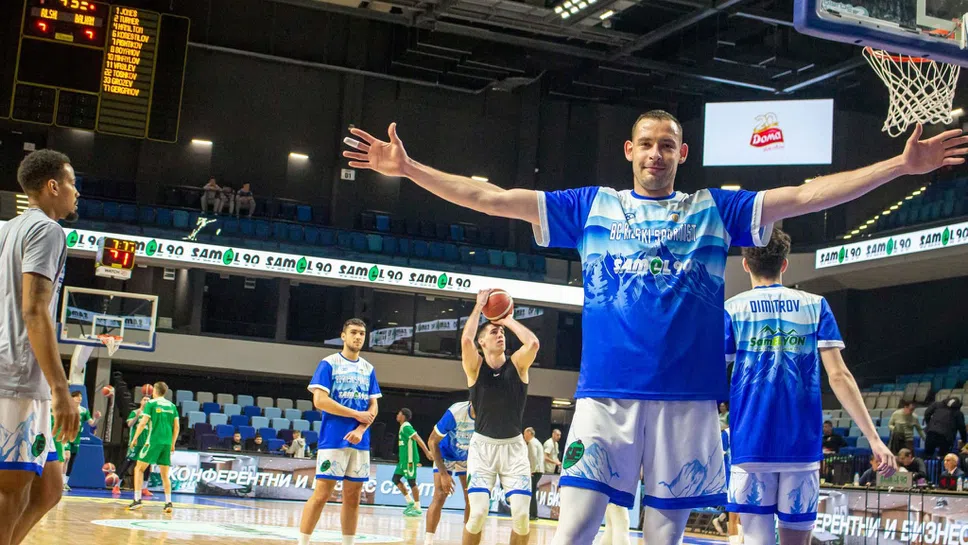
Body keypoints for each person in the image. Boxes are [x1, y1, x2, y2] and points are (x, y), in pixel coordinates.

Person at [341, 112, 966, 545]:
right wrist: (412, 170)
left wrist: (899, 166)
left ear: (681, 154)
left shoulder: (715, 210)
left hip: (686, 406)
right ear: (629, 150)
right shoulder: (591, 207)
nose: (656, 154)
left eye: (668, 145)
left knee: (662, 537)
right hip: (604, 399)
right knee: (575, 527)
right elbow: (492, 198)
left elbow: (805, 195)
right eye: (647, 144)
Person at [724, 228, 897, 545]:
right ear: (785, 264)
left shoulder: (733, 309)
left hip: (750, 446)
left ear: (745, 264)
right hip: (800, 449)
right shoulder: (815, 305)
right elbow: (839, 376)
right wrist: (875, 440)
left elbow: (709, 376)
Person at [0, 149, 80, 545]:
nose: (76, 192)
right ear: (53, 187)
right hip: (18, 376)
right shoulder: (47, 231)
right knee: (10, 492)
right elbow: (34, 309)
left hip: (20, 374)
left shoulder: (7, 228)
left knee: (49, 488)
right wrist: (61, 390)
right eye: (72, 183)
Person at [459, 289, 539, 545]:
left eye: (502, 332)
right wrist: (479, 306)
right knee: (477, 515)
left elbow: (533, 344)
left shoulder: (517, 364)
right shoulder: (475, 368)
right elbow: (466, 341)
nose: (500, 334)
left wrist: (507, 319)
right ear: (482, 342)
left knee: (522, 517)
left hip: (514, 450)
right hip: (482, 449)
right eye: (494, 332)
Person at [297, 318, 379, 545]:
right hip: (333, 439)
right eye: (353, 332)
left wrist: (361, 428)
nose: (358, 337)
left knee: (353, 497)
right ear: (343, 336)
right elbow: (320, 401)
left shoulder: (368, 368)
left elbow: (373, 406)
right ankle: (302, 542)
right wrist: (356, 414)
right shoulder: (328, 363)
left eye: (362, 333)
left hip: (360, 441)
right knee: (322, 494)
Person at [425, 400, 476, 545]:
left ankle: (467, 540)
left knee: (472, 499)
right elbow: (432, 441)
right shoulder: (455, 411)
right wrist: (443, 474)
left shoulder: (488, 415)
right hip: (445, 453)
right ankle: (428, 541)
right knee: (440, 495)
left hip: (468, 456)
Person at [126, 382, 179, 513]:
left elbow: (142, 423)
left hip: (153, 441)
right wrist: (173, 443)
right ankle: (168, 503)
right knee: (165, 474)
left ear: (155, 391)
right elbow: (177, 427)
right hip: (167, 443)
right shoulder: (172, 406)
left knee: (138, 468)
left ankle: (137, 500)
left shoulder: (151, 404)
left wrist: (135, 438)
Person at [393, 408, 432, 517]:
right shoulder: (402, 427)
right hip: (403, 460)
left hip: (409, 460)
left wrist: (427, 452)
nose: (397, 415)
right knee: (395, 479)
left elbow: (418, 438)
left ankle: (418, 507)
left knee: (411, 482)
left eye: (399, 413)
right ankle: (410, 502)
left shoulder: (406, 427)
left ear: (403, 416)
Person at [112, 396, 152, 497]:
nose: (146, 401)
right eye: (144, 400)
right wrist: (137, 416)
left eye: (148, 400)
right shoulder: (135, 412)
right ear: (141, 401)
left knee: (147, 466)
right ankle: (117, 485)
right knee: (127, 463)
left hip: (146, 443)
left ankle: (144, 488)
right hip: (135, 443)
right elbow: (129, 424)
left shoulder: (151, 414)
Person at [524, 427, 544, 520]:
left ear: (529, 433)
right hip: (538, 470)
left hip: (535, 471)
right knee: (532, 492)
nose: (524, 436)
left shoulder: (532, 443)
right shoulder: (537, 442)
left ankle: (533, 514)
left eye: (525, 433)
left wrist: (531, 470)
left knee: (531, 493)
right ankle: (533, 514)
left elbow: (533, 457)